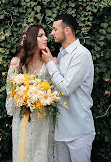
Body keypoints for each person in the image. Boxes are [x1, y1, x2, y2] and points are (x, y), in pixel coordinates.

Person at [41, 14, 95, 162]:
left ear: (67, 30)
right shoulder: (61, 55)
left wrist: (50, 64)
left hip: (79, 130)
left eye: (54, 29)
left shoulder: (81, 55)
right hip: (61, 130)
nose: (52, 33)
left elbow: (66, 88)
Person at [6, 24, 57, 162]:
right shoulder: (16, 63)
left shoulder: (52, 62)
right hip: (23, 118)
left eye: (45, 35)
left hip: (43, 119)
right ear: (31, 40)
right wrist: (21, 99)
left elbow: (57, 92)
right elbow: (10, 92)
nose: (46, 38)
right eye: (41, 36)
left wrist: (42, 98)